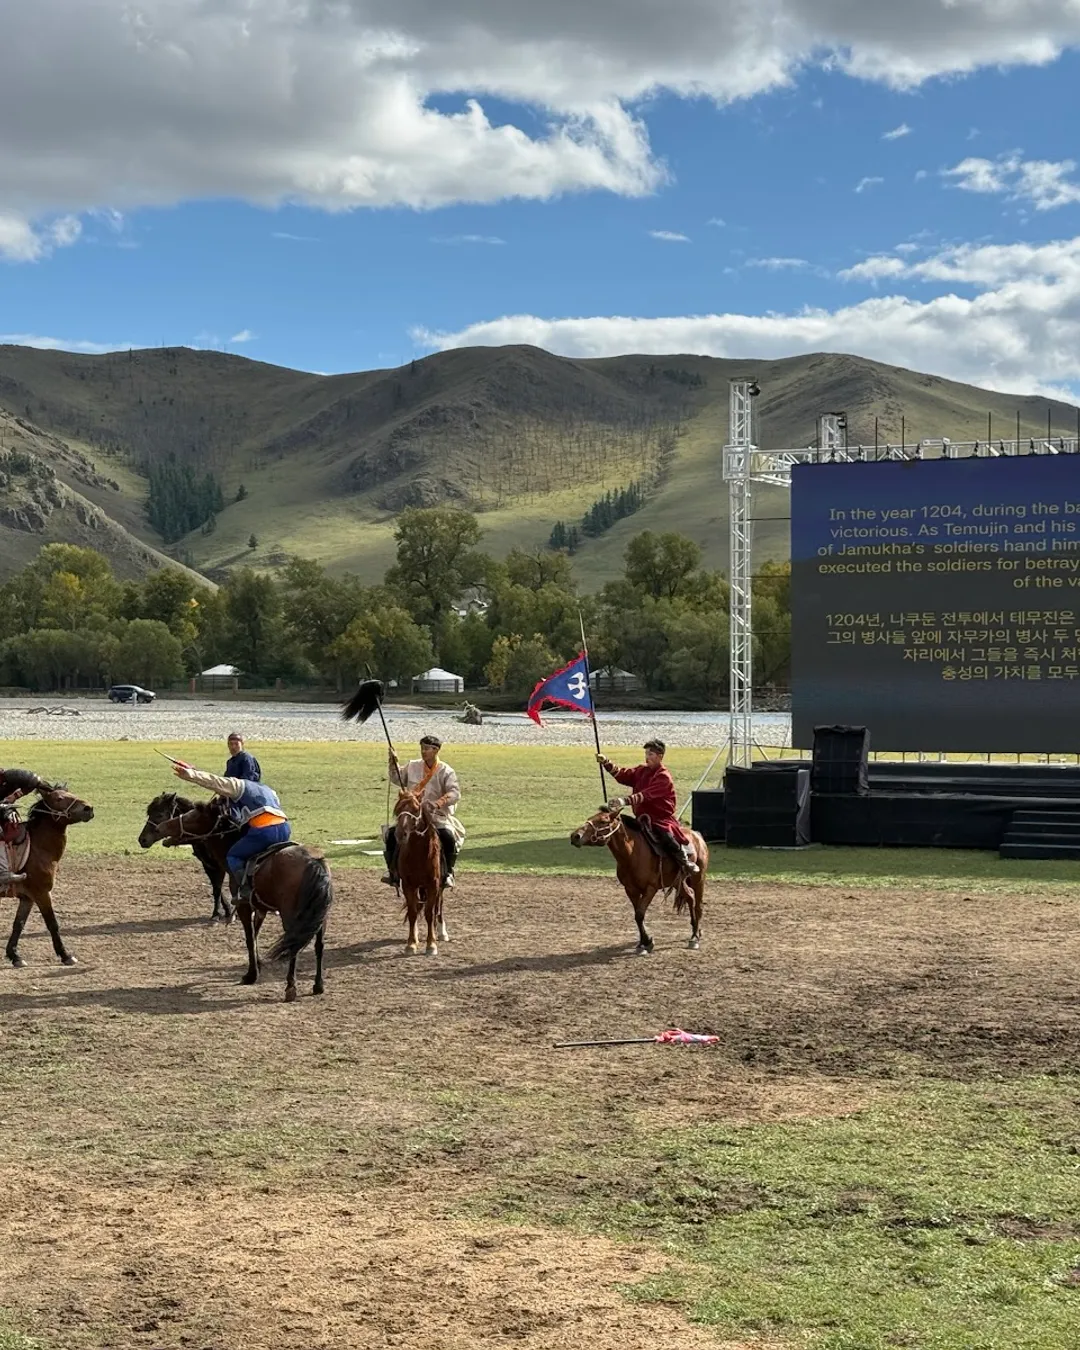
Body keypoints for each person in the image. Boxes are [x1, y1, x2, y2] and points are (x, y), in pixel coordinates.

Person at [171, 759, 289, 900]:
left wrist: (190, 774)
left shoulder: (238, 785)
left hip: (263, 831)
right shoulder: (269, 790)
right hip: (284, 829)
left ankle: (246, 890)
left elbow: (214, 781)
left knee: (233, 856)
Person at [597, 739, 698, 875]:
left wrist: (624, 801)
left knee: (667, 837)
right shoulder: (641, 770)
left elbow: (646, 795)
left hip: (661, 819)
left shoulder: (664, 777)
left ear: (660, 756)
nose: (647, 757)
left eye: (650, 754)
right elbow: (622, 775)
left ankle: (685, 862)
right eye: (646, 754)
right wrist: (606, 762)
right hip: (642, 818)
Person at [383, 734, 465, 889]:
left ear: (436, 750)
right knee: (391, 835)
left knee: (448, 837)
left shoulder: (446, 771)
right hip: (413, 814)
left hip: (435, 816)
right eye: (422, 748)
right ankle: (392, 871)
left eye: (427, 749)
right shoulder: (412, 766)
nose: (423, 751)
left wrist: (438, 803)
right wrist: (393, 763)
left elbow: (454, 793)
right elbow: (397, 779)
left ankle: (448, 872)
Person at [0, 767, 43, 885]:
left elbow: (34, 780)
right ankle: (2, 872)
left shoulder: (6, 776)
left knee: (11, 827)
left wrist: (15, 796)